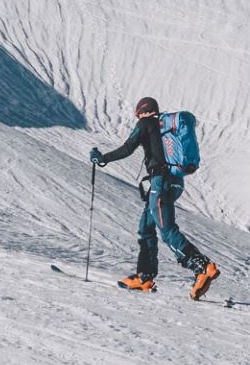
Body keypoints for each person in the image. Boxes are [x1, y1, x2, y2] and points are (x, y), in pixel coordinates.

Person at [91, 97, 221, 300]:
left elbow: (128, 147)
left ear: (142, 111)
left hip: (161, 183)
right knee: (146, 227)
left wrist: (102, 158)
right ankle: (145, 277)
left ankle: (203, 267)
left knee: (167, 230)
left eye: (137, 114)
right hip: (175, 182)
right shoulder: (165, 128)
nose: (137, 118)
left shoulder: (146, 123)